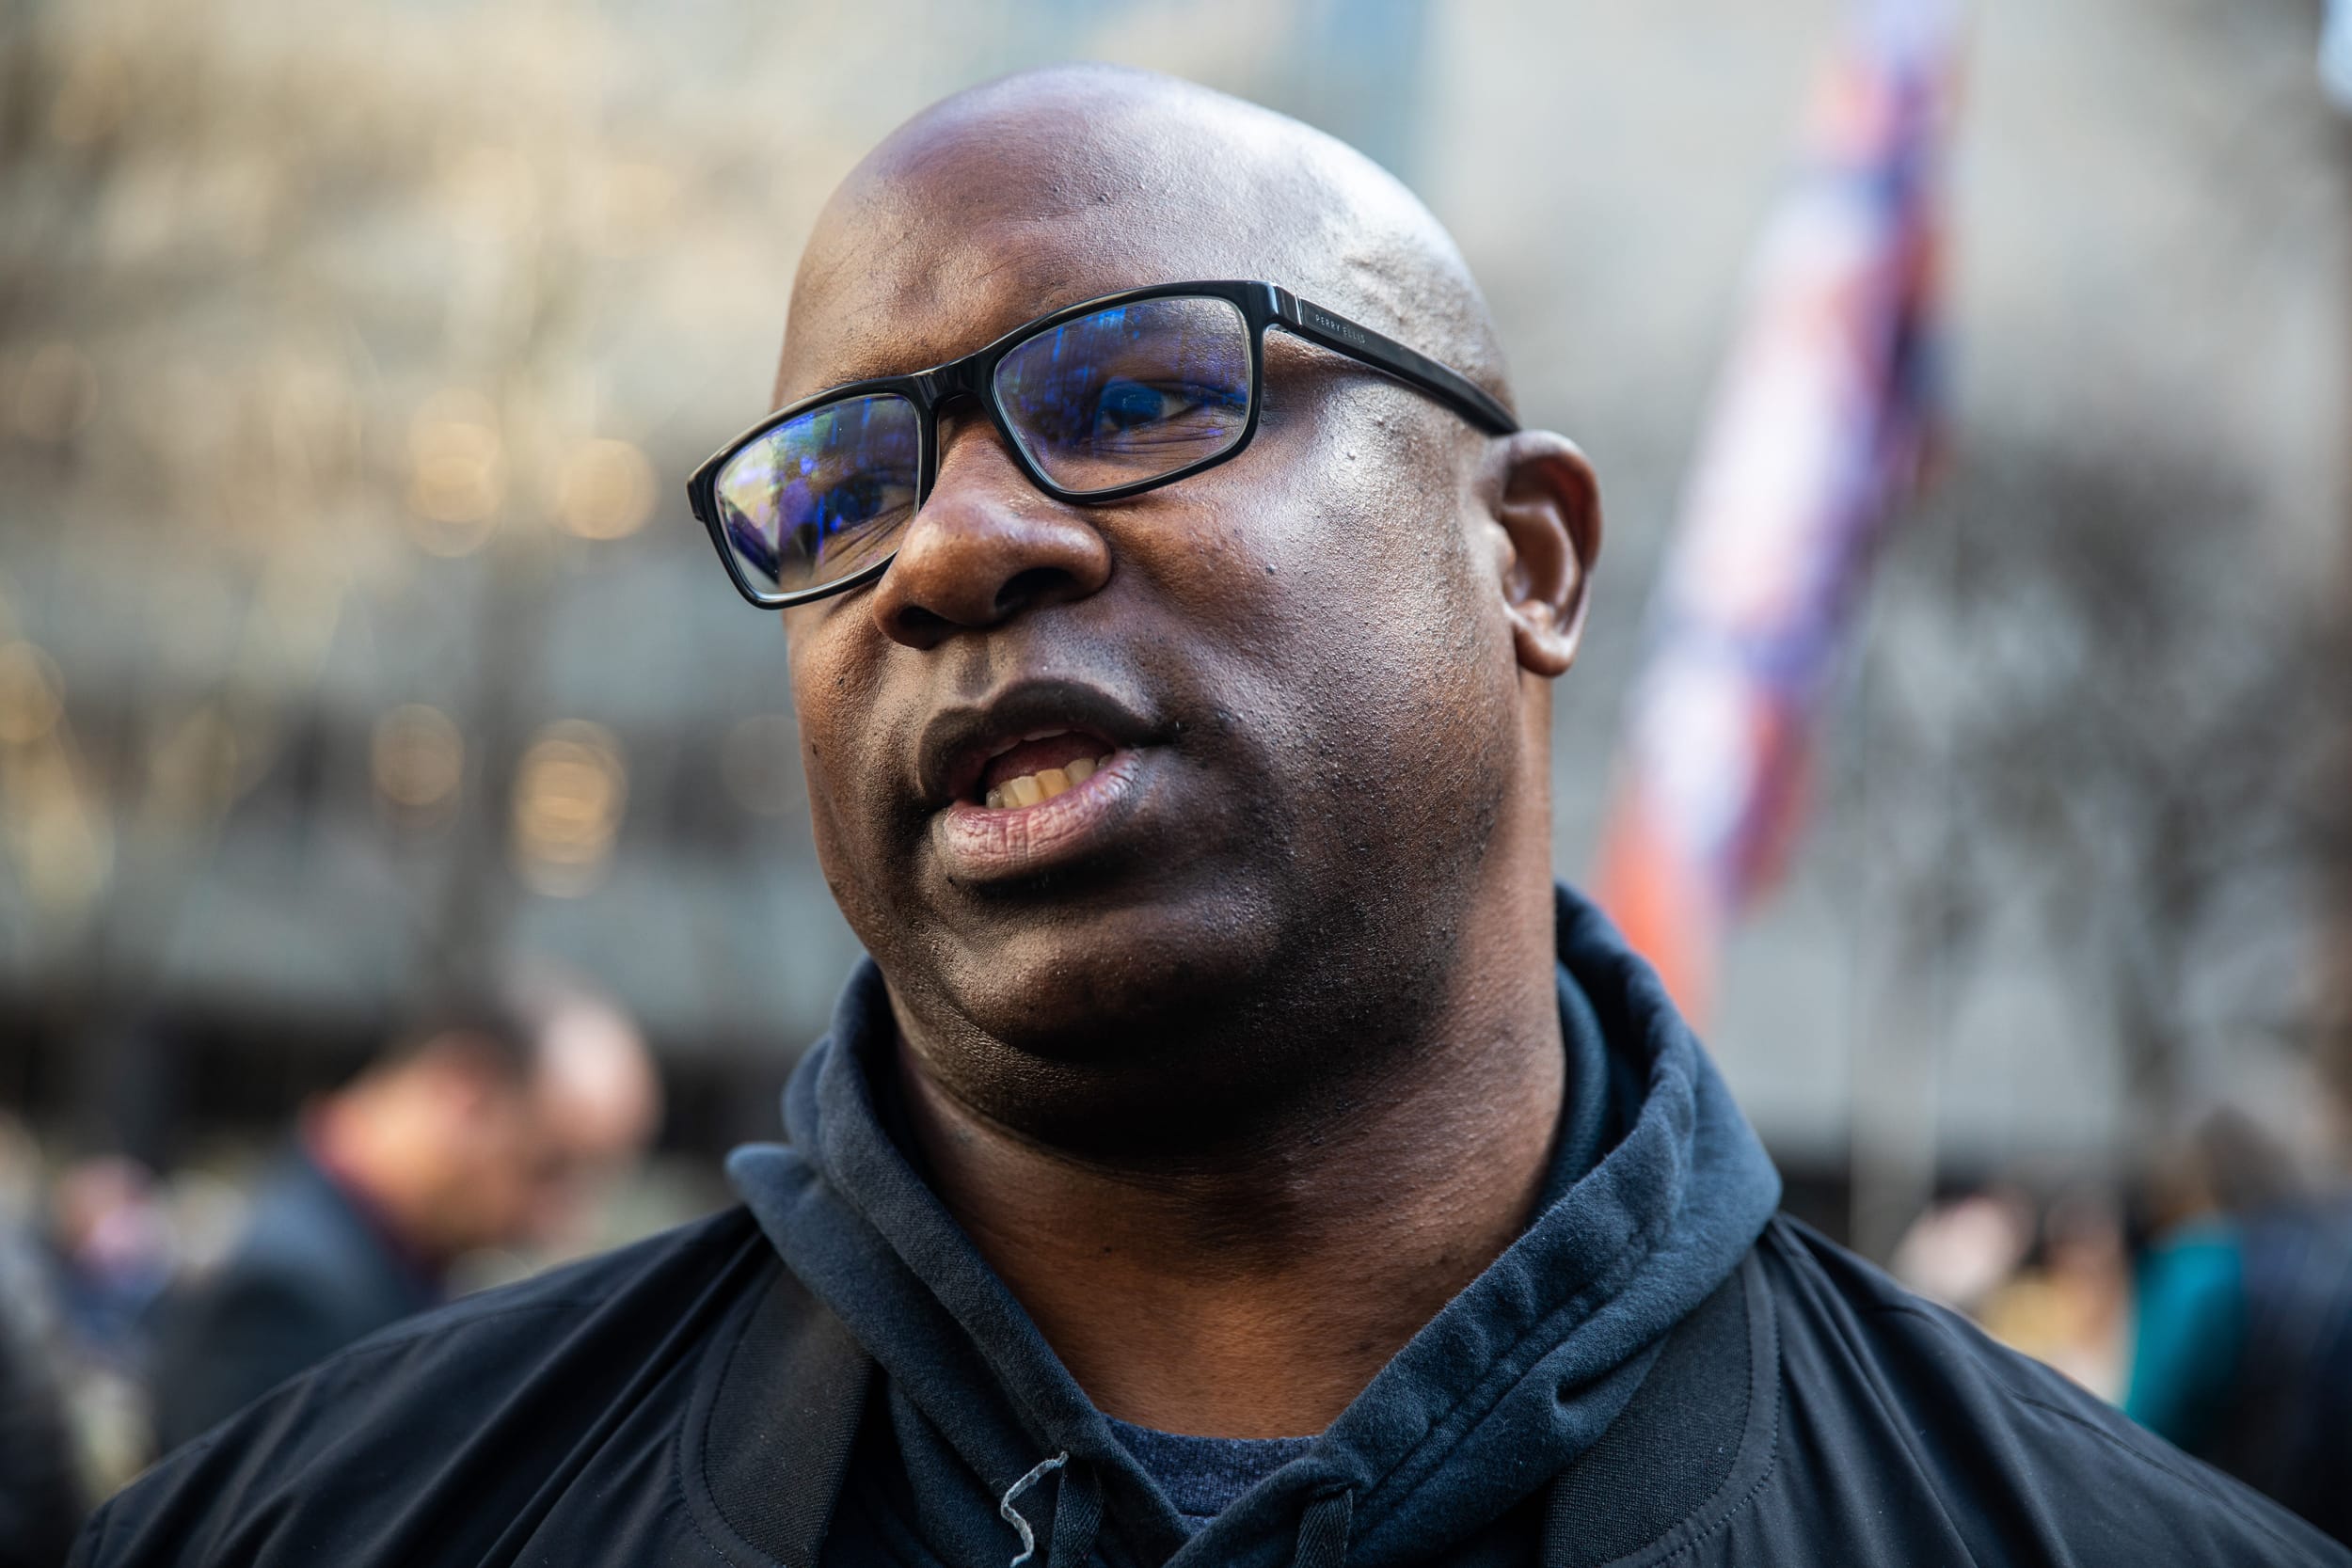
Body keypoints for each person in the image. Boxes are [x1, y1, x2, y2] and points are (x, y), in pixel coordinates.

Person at [75, 66, 2348, 1566]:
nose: (952, 550)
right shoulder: (308, 1525)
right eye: (836, 488)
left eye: (1139, 388)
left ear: (1529, 558)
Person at [144, 974, 660, 1454]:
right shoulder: (289, 1290)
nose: (560, 1222)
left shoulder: (384, 1260)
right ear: (467, 1095)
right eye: (548, 1170)